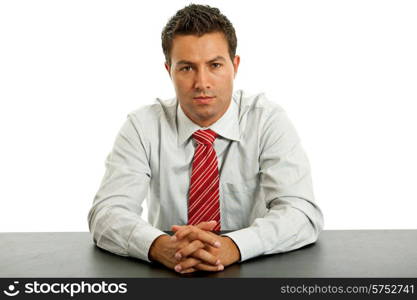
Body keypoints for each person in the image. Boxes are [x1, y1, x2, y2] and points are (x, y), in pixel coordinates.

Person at [87, 4, 324, 274]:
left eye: (215, 65)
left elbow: (301, 213)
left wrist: (233, 245)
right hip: (168, 275)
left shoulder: (266, 120)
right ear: (169, 70)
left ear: (234, 66)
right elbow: (107, 212)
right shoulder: (142, 126)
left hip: (252, 274)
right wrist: (160, 245)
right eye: (187, 68)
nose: (202, 82)